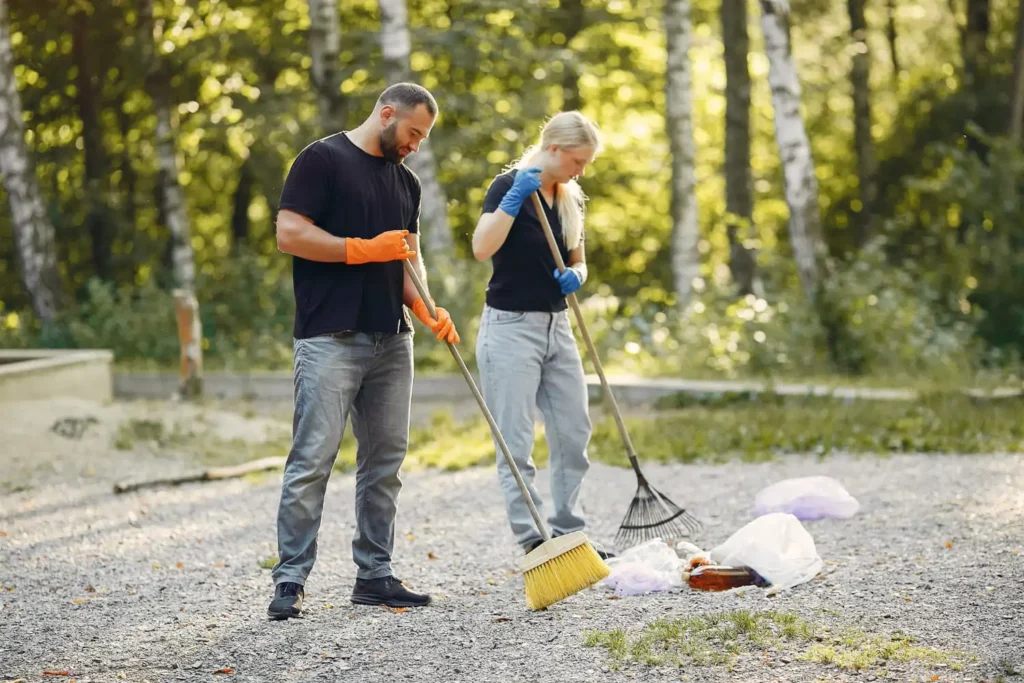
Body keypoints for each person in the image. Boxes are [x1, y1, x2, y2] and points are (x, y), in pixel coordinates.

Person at [267, 83, 460, 620]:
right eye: (414, 132)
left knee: (384, 462)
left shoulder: (407, 182)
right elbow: (289, 233)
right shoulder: (321, 159)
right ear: (387, 113)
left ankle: (374, 576)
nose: (417, 144)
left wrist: (428, 309)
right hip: (330, 337)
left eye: (425, 136)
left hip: (392, 340)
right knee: (312, 460)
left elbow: (407, 262)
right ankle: (289, 580)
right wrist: (360, 250)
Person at [470, 111, 613, 560]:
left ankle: (569, 532)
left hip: (558, 326)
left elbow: (579, 258)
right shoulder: (509, 185)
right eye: (577, 160)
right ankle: (534, 539)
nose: (581, 170)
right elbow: (481, 248)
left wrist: (578, 275)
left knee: (573, 432)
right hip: (510, 329)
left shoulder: (569, 197)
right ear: (552, 149)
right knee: (515, 441)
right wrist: (513, 201)